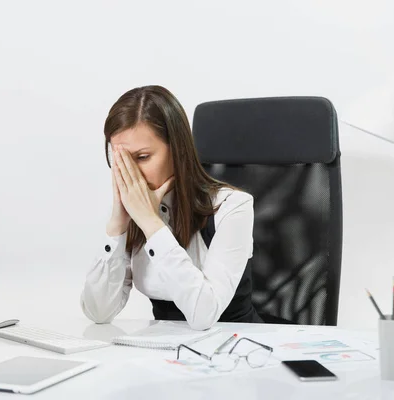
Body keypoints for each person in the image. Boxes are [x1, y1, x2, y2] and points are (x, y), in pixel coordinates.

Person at [80, 85, 261, 330]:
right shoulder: (132, 213)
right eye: (121, 160)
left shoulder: (232, 207)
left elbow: (204, 315)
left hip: (234, 348)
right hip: (165, 354)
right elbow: (98, 313)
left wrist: (151, 224)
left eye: (142, 157)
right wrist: (118, 225)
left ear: (177, 150)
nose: (130, 173)